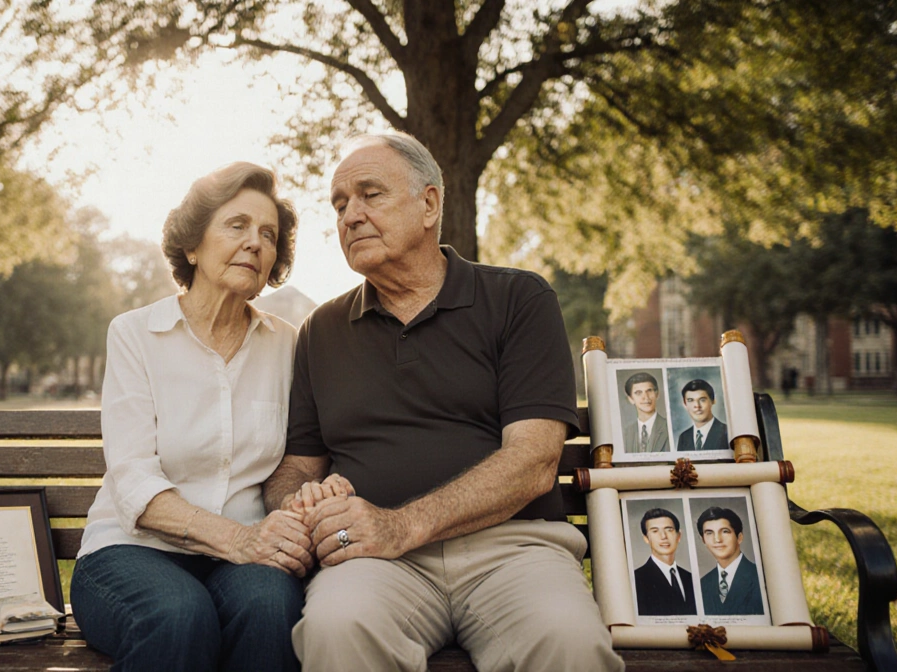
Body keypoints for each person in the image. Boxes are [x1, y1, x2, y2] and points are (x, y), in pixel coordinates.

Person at [264, 132, 622, 671]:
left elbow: (534, 461)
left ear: (428, 203)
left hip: (513, 550)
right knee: (337, 628)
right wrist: (303, 501)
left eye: (370, 194)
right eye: (340, 204)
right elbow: (295, 466)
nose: (350, 215)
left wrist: (403, 525)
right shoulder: (322, 329)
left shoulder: (518, 299)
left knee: (568, 642)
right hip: (376, 564)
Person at [70, 163, 309, 672]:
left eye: (268, 234)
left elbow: (304, 456)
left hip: (244, 558)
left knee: (273, 608)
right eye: (236, 225)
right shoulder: (135, 333)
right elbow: (132, 476)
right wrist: (238, 540)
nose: (254, 243)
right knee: (178, 614)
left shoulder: (288, 345)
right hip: (132, 548)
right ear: (193, 246)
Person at [697, 507, 764, 616]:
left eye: (725, 531)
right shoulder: (702, 584)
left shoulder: (761, 576)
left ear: (739, 537)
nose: (717, 539)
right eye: (709, 533)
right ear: (703, 540)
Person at [633, 508, 697, 616]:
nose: (663, 537)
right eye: (655, 531)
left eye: (669, 530)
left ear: (679, 536)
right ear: (646, 538)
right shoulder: (636, 579)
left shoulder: (691, 578)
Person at [621, 372, 670, 453]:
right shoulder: (626, 433)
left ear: (657, 394)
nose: (646, 397)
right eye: (638, 393)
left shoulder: (668, 427)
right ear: (631, 399)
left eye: (649, 391)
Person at [675, 379, 729, 452]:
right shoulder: (684, 437)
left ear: (713, 401)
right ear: (685, 404)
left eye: (702, 400)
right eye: (690, 400)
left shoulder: (727, 432)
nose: (697, 406)